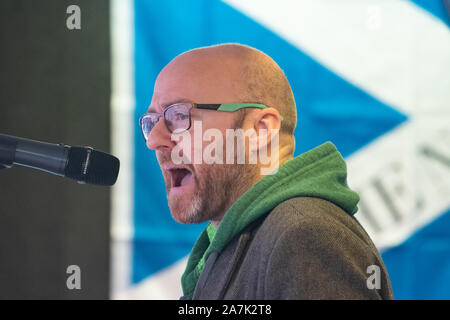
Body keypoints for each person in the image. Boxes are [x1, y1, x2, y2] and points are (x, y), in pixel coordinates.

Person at [140, 43, 394, 300]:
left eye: (180, 115)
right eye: (151, 122)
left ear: (260, 131)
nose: (154, 140)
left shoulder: (305, 235)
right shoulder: (245, 239)